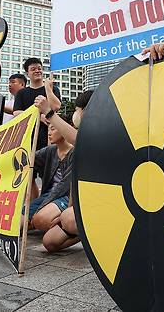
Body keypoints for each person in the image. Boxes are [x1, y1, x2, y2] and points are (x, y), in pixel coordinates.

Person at [34, 90, 94, 252]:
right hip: (76, 203)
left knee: (67, 218)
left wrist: (49, 112)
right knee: (49, 242)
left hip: (102, 205)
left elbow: (79, 140)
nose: (76, 114)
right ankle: (86, 233)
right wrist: (68, 208)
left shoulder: (96, 136)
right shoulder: (51, 151)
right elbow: (74, 184)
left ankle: (92, 228)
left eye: (78, 109)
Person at [24, 121, 73, 235]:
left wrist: (40, 207)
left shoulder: (74, 152)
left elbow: (62, 187)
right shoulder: (50, 151)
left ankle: (63, 221)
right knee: (17, 224)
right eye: (48, 129)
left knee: (40, 219)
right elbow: (28, 160)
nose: (49, 133)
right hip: (48, 195)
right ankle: (38, 222)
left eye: (53, 129)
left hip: (65, 197)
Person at [13, 57, 61, 152]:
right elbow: (16, 113)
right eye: (33, 69)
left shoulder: (52, 88)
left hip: (49, 138)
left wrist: (48, 89)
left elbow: (56, 106)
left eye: (39, 68)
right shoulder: (21, 93)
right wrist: (38, 117)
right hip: (27, 138)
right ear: (27, 74)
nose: (37, 71)